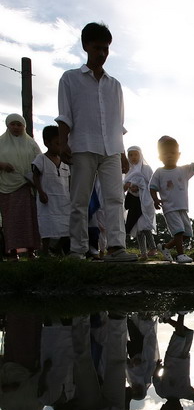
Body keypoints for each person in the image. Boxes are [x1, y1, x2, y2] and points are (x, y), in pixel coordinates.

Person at [56, 22, 137, 262]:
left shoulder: (115, 85)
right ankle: (78, 251)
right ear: (85, 46)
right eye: (97, 48)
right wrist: (63, 143)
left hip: (111, 149)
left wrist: (122, 153)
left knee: (115, 198)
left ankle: (116, 248)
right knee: (79, 200)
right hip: (81, 146)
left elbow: (117, 123)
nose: (102, 54)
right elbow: (65, 116)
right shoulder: (70, 79)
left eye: (106, 49)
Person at [149, 136, 194, 263]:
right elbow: (152, 187)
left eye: (172, 152)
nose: (169, 155)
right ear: (159, 157)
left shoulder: (184, 170)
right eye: (165, 153)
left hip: (182, 207)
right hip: (169, 208)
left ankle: (165, 247)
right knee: (179, 231)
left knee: (187, 234)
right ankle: (180, 255)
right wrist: (155, 200)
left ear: (179, 155)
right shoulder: (159, 172)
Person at [0, 113, 42, 260]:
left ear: (24, 126)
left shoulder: (31, 143)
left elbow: (39, 161)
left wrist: (34, 178)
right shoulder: (1, 142)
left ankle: (31, 251)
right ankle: (12, 253)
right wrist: (2, 165)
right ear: (8, 125)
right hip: (7, 188)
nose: (16, 127)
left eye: (19, 125)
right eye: (13, 124)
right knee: (11, 221)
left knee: (29, 220)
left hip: (26, 186)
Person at [32, 125, 71, 256]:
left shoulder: (65, 162)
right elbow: (35, 176)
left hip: (63, 200)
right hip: (47, 200)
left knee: (67, 227)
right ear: (46, 143)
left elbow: (69, 180)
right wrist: (41, 192)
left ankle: (57, 249)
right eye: (57, 144)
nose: (60, 147)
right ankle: (45, 252)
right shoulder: (41, 159)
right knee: (47, 226)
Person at [123, 146, 157, 260]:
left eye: (135, 154)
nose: (133, 157)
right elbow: (123, 186)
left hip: (144, 200)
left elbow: (152, 184)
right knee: (137, 228)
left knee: (144, 225)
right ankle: (143, 253)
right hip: (133, 202)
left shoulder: (146, 169)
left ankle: (153, 248)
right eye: (130, 155)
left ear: (140, 155)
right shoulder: (128, 170)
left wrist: (139, 186)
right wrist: (128, 186)